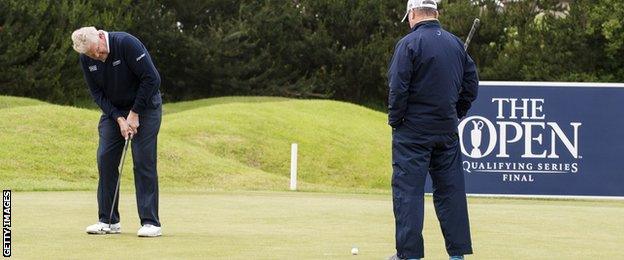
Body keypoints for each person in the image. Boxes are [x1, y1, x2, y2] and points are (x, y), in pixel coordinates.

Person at [387, 0, 479, 259]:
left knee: (409, 194)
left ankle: (409, 255)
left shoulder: (408, 44)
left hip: (412, 133)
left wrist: (396, 121)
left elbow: (398, 88)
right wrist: (456, 113)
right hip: (446, 132)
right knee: (451, 193)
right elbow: (471, 86)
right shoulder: (454, 44)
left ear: (413, 14)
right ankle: (457, 255)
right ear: (435, 13)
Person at [71, 27, 163, 237]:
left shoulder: (126, 43)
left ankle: (150, 222)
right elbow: (96, 93)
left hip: (146, 106)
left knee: (142, 160)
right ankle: (108, 221)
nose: (97, 56)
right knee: (105, 158)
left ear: (101, 37)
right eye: (91, 55)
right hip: (115, 111)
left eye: (97, 50)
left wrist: (135, 113)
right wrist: (119, 118)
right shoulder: (87, 57)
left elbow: (152, 79)